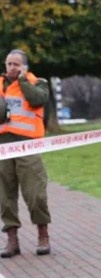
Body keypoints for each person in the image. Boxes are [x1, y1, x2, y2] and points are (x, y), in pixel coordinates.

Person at [0, 49, 51, 258]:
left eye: (16, 64)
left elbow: (38, 100)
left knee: (35, 194)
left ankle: (43, 236)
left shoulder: (37, 83)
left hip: (27, 147)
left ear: (24, 66)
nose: (12, 68)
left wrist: (22, 81)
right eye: (9, 64)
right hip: (2, 148)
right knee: (4, 197)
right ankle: (12, 240)